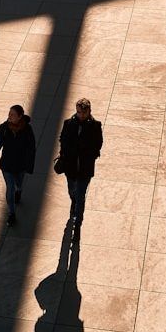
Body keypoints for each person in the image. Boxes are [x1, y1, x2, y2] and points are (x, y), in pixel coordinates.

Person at [58, 97, 103, 238]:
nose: (81, 115)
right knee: (72, 191)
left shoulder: (95, 126)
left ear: (89, 111)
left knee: (81, 195)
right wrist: (65, 153)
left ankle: (78, 225)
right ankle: (74, 203)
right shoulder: (68, 123)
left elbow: (98, 144)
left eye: (83, 112)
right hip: (70, 166)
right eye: (78, 112)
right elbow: (62, 139)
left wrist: (90, 154)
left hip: (85, 168)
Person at [0, 104, 36, 226]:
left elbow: (31, 149)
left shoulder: (27, 129)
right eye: (9, 114)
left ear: (20, 117)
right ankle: (11, 213)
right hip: (7, 165)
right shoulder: (4, 128)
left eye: (12, 115)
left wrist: (29, 165)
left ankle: (19, 191)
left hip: (21, 165)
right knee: (10, 187)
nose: (9, 116)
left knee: (18, 184)